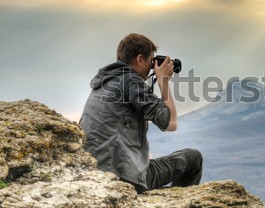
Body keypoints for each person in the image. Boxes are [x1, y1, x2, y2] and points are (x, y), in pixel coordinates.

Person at [80, 33, 203, 192]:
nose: (153, 66)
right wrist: (163, 81)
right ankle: (181, 206)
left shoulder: (104, 82)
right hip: (122, 176)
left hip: (95, 172)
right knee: (193, 158)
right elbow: (170, 122)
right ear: (139, 60)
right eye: (152, 61)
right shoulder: (130, 80)